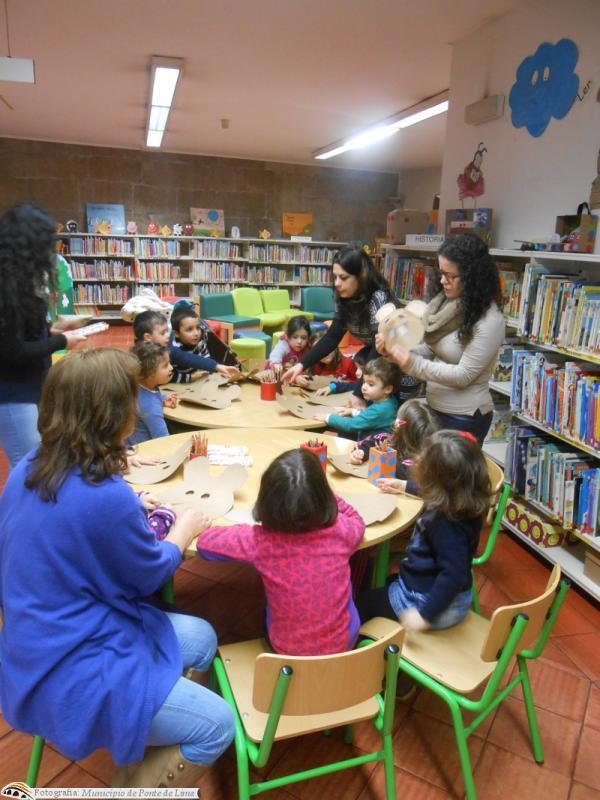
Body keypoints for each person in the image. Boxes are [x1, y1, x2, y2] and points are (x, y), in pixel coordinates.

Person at [0, 349, 234, 788]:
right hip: (75, 664)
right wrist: (183, 530)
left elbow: (72, 524)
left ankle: (142, 745)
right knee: (219, 725)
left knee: (202, 637)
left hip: (32, 646)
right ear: (114, 416)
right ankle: (137, 783)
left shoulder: (30, 465)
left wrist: (132, 501)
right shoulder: (105, 496)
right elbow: (150, 575)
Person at [196, 448, 365, 656]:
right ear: (323, 496)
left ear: (265, 501)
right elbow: (357, 521)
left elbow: (205, 543)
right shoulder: (341, 531)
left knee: (264, 610)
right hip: (345, 646)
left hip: (287, 652)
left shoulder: (260, 541)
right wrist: (329, 496)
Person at [357, 429, 491, 633]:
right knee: (385, 581)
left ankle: (359, 647)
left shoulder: (446, 523)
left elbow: (453, 575)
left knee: (363, 601)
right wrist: (403, 485)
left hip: (430, 605)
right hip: (450, 595)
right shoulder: (464, 500)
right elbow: (438, 488)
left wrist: (424, 616)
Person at [381, 234, 505, 443]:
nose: (442, 281)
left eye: (450, 276)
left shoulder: (490, 319)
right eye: (441, 273)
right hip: (435, 409)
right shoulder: (448, 306)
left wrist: (411, 363)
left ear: (472, 276)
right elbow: (431, 349)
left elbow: (463, 375)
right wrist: (394, 352)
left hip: (465, 417)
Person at [0, 203, 86, 468]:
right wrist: (61, 341)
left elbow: (20, 332)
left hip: (33, 386)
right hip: (13, 394)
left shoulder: (20, 281)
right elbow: (11, 350)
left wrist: (51, 330)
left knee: (41, 462)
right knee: (28, 467)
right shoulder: (5, 287)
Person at [282, 247, 420, 404]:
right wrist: (301, 365)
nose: (337, 283)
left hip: (401, 370)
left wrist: (359, 394)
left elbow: (378, 349)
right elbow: (332, 337)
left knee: (393, 414)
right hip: (380, 368)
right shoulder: (344, 297)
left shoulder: (378, 298)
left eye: (343, 277)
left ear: (361, 277)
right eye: (335, 277)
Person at [350, 398, 439, 495]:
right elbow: (366, 443)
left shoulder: (423, 461)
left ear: (397, 424)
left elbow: (430, 486)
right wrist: (361, 453)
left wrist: (403, 485)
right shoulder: (387, 439)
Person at [313, 357, 400, 440]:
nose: (364, 387)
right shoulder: (389, 401)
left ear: (388, 389)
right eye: (364, 382)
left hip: (368, 448)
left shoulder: (380, 409)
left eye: (371, 384)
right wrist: (353, 411)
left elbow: (351, 425)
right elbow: (371, 419)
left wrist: (328, 417)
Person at [169, 306, 239, 383]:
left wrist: (219, 372)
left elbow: (206, 360)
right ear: (176, 333)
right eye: (189, 329)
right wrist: (189, 378)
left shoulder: (200, 342)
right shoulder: (173, 349)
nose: (196, 333)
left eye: (198, 328)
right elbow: (169, 376)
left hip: (197, 380)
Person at [128, 341, 177, 446]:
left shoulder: (136, 388)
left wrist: (162, 398)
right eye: (165, 366)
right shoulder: (151, 407)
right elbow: (163, 441)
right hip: (144, 451)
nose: (171, 368)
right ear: (150, 373)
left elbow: (146, 397)